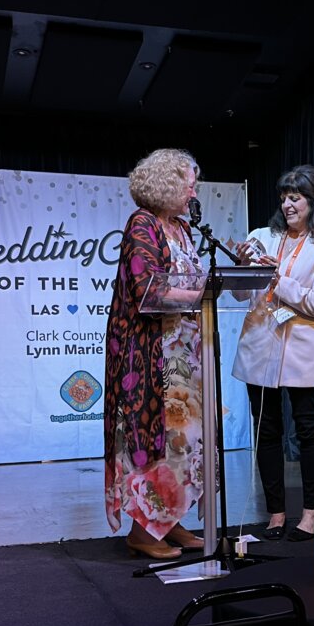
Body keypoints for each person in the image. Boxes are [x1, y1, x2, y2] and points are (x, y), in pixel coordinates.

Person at [231, 165, 314, 541]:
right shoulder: (261, 236)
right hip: (260, 347)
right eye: (283, 197)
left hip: (301, 352)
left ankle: (310, 514)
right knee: (266, 432)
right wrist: (244, 267)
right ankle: (276, 513)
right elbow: (239, 295)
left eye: (294, 197)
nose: (287, 204)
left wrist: (277, 277)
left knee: (309, 432)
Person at [103, 148, 207, 559]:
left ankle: (170, 520)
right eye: (188, 181)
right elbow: (148, 287)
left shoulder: (182, 228)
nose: (193, 189)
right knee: (154, 439)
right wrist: (203, 293)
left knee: (184, 441)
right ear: (165, 183)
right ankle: (143, 530)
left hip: (186, 352)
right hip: (152, 353)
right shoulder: (142, 225)